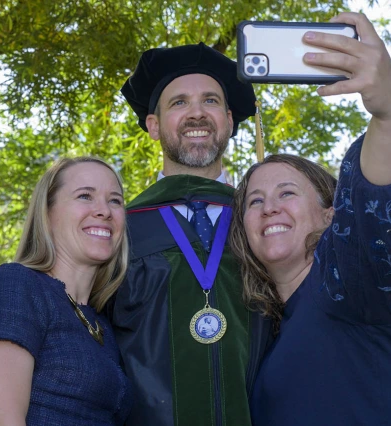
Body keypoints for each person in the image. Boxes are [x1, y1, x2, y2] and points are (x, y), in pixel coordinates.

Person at [229, 12, 391, 425]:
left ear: (332, 213)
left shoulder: (348, 282)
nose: (269, 207)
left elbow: (379, 206)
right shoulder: (265, 334)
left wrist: (390, 116)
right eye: (254, 202)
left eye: (288, 192)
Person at [107, 42, 272, 425]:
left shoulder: (266, 224)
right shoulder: (121, 229)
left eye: (210, 101)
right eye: (179, 102)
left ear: (230, 120)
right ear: (153, 125)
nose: (196, 113)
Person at [0, 157, 133, 425]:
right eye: (85, 196)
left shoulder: (102, 321)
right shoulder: (15, 286)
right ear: (47, 214)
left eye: (115, 200)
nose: (104, 211)